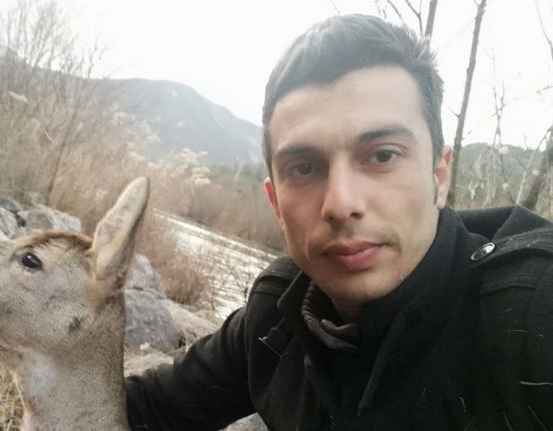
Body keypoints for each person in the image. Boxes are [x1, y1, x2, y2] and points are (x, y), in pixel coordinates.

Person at [125, 14, 553, 431]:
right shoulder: (277, 316)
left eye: (382, 155)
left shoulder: (530, 312)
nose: (340, 204)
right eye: (304, 168)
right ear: (276, 203)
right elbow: (148, 407)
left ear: (439, 177)